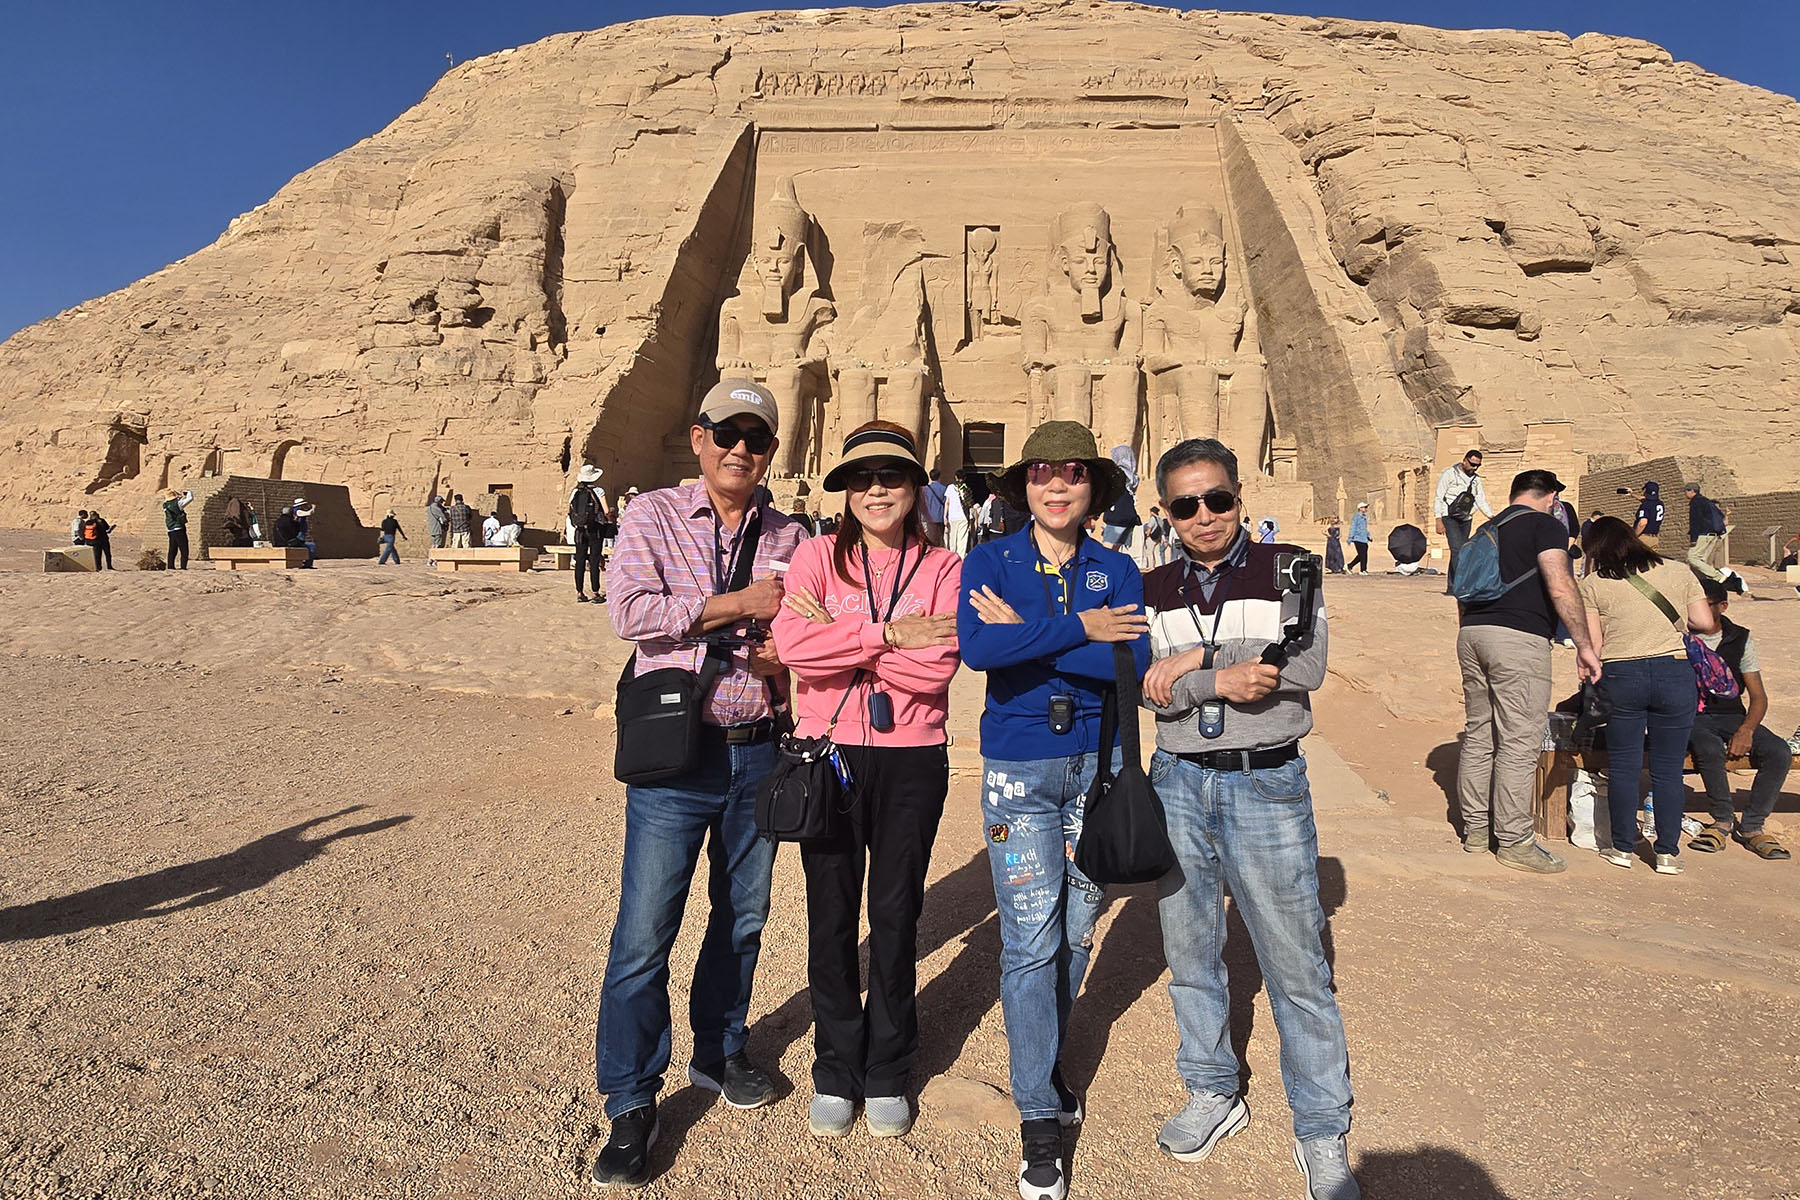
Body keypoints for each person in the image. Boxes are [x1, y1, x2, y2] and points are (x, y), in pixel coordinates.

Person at [592, 379, 806, 1189]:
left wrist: (785, 653)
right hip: (677, 756)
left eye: (756, 438)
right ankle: (631, 1098)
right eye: (727, 433)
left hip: (758, 749)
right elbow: (631, 611)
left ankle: (719, 1050)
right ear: (698, 438)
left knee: (743, 918)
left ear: (771, 450)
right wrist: (737, 604)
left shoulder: (792, 534)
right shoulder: (651, 514)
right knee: (645, 930)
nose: (740, 449)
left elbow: (808, 628)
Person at [1140, 437, 1358, 1200]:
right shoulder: (1151, 586)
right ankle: (1212, 1089)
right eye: (1186, 505)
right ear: (1166, 513)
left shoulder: (1287, 567)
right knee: (1189, 948)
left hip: (1264, 781)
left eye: (1217, 499)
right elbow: (1144, 687)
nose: (1204, 515)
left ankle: (1321, 1126)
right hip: (1178, 779)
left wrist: (1193, 668)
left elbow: (1302, 667)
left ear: (1240, 496)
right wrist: (1218, 677)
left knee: (1295, 963)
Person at [957, 421, 1149, 1200]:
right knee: (1031, 940)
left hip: (1097, 768)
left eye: (1073, 471)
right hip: (1020, 769)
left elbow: (1129, 663)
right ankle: (1039, 1110)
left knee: (1074, 931)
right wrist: (1080, 631)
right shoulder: (991, 560)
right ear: (1024, 485)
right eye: (1041, 472)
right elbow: (979, 649)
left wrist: (1032, 636)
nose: (1057, 484)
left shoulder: (1117, 568)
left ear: (1093, 486)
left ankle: (1042, 1062)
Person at [771, 421, 962, 1140]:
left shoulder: (943, 567)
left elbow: (938, 667)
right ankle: (835, 1066)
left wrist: (842, 641)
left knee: (895, 913)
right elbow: (795, 650)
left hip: (912, 754)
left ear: (915, 487)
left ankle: (887, 1066)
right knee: (830, 914)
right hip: (829, 752)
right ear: (846, 491)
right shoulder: (816, 555)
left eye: (891, 476)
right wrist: (888, 635)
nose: (876, 490)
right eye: (861, 478)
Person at [1455, 470, 1602, 872]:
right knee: (1519, 741)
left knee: (1480, 734)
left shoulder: (1485, 529)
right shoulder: (1545, 526)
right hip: (1518, 638)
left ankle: (1476, 832)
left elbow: (1463, 592)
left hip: (1473, 633)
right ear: (1552, 497)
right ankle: (1515, 841)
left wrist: (1472, 633)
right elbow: (1560, 584)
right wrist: (1584, 646)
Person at [1578, 516, 1717, 874]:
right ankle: (1667, 852)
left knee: (1623, 767)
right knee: (1668, 770)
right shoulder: (1679, 571)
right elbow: (1705, 622)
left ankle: (1622, 848)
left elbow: (1595, 644)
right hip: (1674, 672)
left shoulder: (1593, 583)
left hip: (1622, 673)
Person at [1684, 578, 1792, 860]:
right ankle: (1722, 820)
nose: (1694, 612)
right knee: (1708, 748)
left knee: (1779, 752)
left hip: (1731, 714)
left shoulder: (1739, 639)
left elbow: (1758, 696)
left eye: (1703, 605)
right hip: (1693, 715)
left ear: (1722, 606)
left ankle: (1753, 826)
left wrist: (1746, 730)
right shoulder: (1680, 636)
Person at [1435, 448, 1491, 595]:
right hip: (1449, 517)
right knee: (1457, 550)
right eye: (1472, 464)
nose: (1475, 468)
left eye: (1478, 465)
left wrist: (1491, 516)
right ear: (1465, 461)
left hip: (1466, 518)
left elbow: (1480, 499)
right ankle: (1463, 584)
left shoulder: (1476, 480)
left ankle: (1452, 586)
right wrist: (1438, 519)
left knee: (1460, 551)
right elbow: (1439, 497)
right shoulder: (1449, 474)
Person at [568, 465, 614, 603]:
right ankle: (595, 593)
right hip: (595, 530)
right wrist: (611, 519)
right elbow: (606, 510)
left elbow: (570, 509)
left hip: (580, 530)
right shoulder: (598, 490)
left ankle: (580, 593)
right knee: (594, 561)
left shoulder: (575, 491)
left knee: (580, 561)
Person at [1098, 445, 1143, 561]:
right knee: (1116, 551)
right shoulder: (1133, 477)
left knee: (1106, 550)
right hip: (1128, 518)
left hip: (1116, 516)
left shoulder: (1117, 474)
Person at [1684, 482, 1731, 585]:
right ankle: (1702, 583)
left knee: (1692, 558)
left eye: (1686, 491)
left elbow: (1695, 521)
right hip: (1714, 535)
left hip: (1703, 534)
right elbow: (1721, 517)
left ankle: (1717, 576)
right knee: (1701, 561)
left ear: (1692, 491)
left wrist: (1693, 538)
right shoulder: (1707, 502)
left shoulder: (1696, 502)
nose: (1685, 493)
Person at [1632, 481, 1666, 550]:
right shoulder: (1660, 504)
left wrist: (1634, 536)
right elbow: (1644, 499)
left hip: (1643, 538)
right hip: (1654, 539)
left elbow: (1642, 523)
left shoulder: (1645, 505)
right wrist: (1632, 493)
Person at [945, 471, 972, 556]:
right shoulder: (967, 489)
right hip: (964, 517)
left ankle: (953, 558)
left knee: (952, 540)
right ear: (965, 478)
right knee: (962, 541)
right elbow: (969, 505)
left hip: (952, 517)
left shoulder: (950, 487)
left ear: (956, 477)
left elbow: (947, 503)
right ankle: (961, 559)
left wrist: (945, 516)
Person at [921, 469, 948, 546]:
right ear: (939, 476)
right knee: (940, 538)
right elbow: (945, 502)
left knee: (930, 537)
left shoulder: (925, 489)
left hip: (929, 517)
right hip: (940, 516)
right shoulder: (943, 488)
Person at [1347, 502, 1371, 574]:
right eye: (1364, 507)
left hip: (1364, 539)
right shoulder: (1356, 517)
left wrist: (1368, 536)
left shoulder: (1364, 517)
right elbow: (1353, 527)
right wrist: (1350, 538)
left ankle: (1350, 566)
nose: (1366, 509)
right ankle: (1362, 570)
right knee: (1362, 555)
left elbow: (1364, 528)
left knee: (1363, 555)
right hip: (1357, 538)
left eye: (1366, 507)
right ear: (1360, 508)